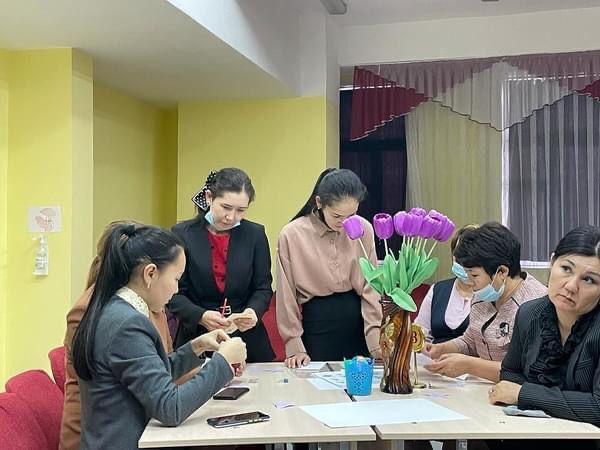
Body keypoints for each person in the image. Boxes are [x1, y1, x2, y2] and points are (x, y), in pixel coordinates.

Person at [72, 223, 246, 450]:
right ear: (150, 273)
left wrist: (196, 347)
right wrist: (222, 362)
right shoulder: (127, 324)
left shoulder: (115, 310)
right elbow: (170, 408)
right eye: (176, 279)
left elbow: (151, 376)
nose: (176, 290)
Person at [60, 221, 175, 450]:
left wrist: (202, 360)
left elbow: (162, 366)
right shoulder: (95, 312)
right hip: (102, 434)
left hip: (143, 423)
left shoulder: (148, 302)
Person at [487, 225, 600, 449]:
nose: (571, 286)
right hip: (530, 435)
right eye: (566, 268)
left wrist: (525, 393)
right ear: (552, 261)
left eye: (589, 280)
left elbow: (597, 407)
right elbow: (510, 373)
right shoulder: (530, 313)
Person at [276, 168, 382, 368]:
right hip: (318, 327)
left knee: (363, 383)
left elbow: (372, 286)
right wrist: (294, 345)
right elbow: (286, 295)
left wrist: (375, 338)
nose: (344, 223)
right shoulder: (292, 235)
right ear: (319, 203)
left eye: (351, 215)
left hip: (360, 324)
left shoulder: (364, 229)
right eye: (337, 216)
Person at [170, 168, 274, 362]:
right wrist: (201, 316)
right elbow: (173, 293)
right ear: (209, 197)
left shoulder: (255, 235)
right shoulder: (182, 234)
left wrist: (252, 312)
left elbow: (263, 287)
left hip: (247, 341)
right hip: (197, 339)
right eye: (226, 207)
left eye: (240, 210)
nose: (232, 217)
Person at [423, 222, 547, 382]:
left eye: (474, 275)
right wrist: (441, 349)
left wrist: (469, 365)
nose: (469, 282)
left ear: (502, 272)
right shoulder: (484, 294)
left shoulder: (536, 305)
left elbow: (527, 372)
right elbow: (471, 340)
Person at [415, 224, 478, 343]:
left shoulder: (489, 295)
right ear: (453, 257)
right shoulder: (438, 290)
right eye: (460, 256)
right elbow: (420, 333)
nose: (466, 263)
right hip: (434, 353)